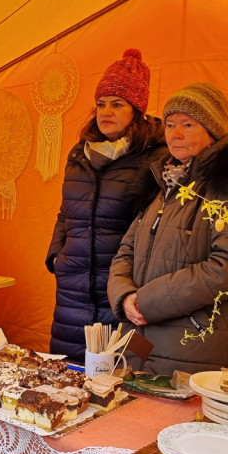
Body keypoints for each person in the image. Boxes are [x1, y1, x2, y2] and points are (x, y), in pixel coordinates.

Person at [107, 82, 228, 375]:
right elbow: (126, 251)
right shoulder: (164, 182)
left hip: (197, 346)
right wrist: (124, 296)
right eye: (170, 124)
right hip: (142, 340)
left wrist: (147, 301)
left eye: (188, 124)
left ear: (212, 130)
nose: (175, 134)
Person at [46, 49, 165, 361]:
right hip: (72, 283)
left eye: (117, 104)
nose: (106, 112)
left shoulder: (154, 157)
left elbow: (157, 223)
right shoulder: (79, 153)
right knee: (66, 375)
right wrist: (57, 254)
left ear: (136, 110)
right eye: (101, 104)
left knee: (116, 378)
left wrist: (136, 281)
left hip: (119, 286)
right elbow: (65, 211)